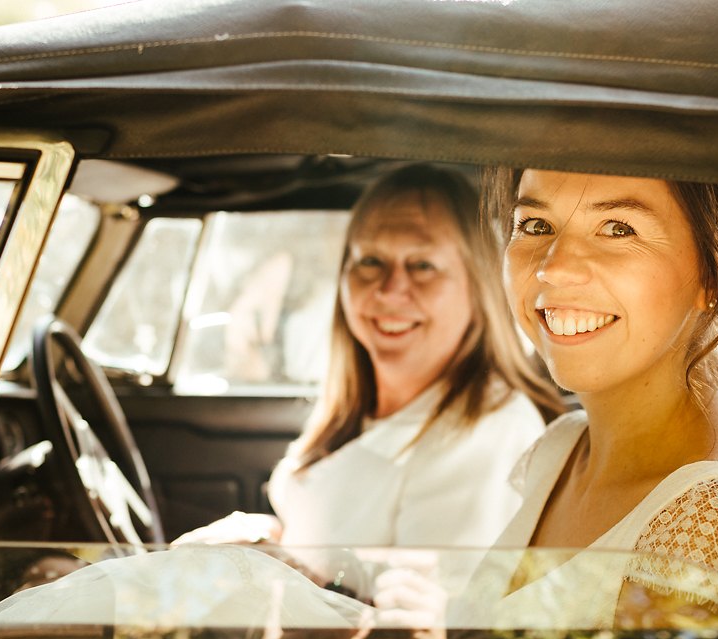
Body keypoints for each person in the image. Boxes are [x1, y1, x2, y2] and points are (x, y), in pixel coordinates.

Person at [457, 169, 718, 630]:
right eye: (535, 226)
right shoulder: (563, 448)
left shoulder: (705, 524)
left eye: (619, 229)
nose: (553, 267)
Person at [177, 163, 562, 578]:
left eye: (422, 265)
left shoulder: (490, 432)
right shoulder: (355, 403)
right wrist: (266, 539)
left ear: (477, 285)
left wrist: (279, 568)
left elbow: (431, 622)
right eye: (371, 260)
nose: (390, 289)